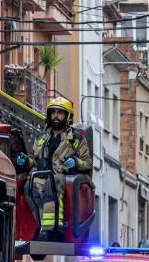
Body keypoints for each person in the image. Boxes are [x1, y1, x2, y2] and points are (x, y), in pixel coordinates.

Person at [15, 96, 92, 240]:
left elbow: (87, 163)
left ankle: (53, 230)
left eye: (60, 113)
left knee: (51, 184)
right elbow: (34, 159)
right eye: (53, 112)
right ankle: (43, 227)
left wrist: (76, 162)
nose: (56, 116)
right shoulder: (42, 137)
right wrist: (25, 161)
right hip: (39, 176)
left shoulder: (76, 139)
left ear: (67, 116)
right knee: (27, 187)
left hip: (60, 177)